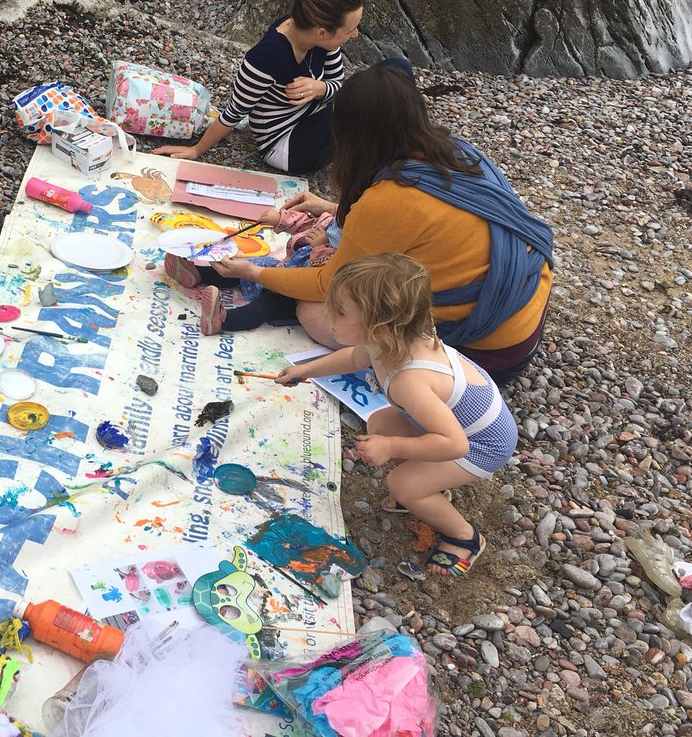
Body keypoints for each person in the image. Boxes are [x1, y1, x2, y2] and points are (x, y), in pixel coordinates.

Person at [168, 65, 553, 384]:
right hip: (523, 319)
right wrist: (331, 207)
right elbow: (420, 222)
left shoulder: (387, 199)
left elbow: (327, 284)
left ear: (353, 136)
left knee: (314, 310)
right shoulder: (458, 152)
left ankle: (224, 293)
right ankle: (209, 275)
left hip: (480, 355)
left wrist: (254, 271)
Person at [277, 254, 518, 576]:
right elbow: (353, 359)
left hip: (482, 445)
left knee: (401, 484)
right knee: (380, 422)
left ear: (379, 324)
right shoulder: (387, 341)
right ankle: (430, 486)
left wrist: (391, 447)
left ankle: (464, 536)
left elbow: (455, 444)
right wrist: (305, 370)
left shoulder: (409, 380)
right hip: (456, 426)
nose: (328, 314)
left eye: (340, 311)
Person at [153, 0, 372, 173]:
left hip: (314, 114)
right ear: (322, 32)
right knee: (362, 105)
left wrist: (320, 88)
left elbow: (337, 84)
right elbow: (235, 113)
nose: (355, 35)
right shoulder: (265, 58)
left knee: (386, 78)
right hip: (284, 143)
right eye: (350, 30)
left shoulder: (322, 38)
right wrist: (196, 150)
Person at [163, 205, 340, 332]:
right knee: (250, 265)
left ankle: (223, 321)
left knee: (268, 305)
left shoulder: (343, 249)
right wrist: (281, 219)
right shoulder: (339, 219)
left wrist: (320, 248)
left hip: (299, 295)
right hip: (285, 269)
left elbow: (327, 279)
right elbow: (310, 223)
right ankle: (197, 274)